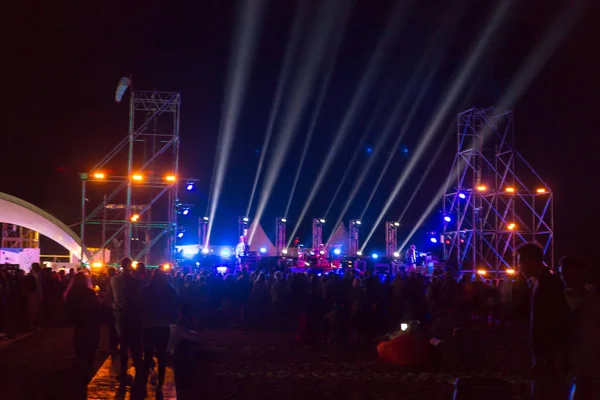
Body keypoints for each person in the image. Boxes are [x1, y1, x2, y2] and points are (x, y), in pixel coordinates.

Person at [516, 242, 569, 399]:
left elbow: (551, 324)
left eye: (521, 262)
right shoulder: (544, 283)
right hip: (548, 357)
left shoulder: (548, 286)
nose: (519, 267)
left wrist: (544, 358)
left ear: (530, 262)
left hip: (549, 358)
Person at [559, 256, 600, 399]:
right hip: (564, 362)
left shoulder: (592, 302)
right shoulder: (556, 301)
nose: (565, 277)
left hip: (587, 364)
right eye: (563, 273)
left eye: (568, 273)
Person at [140, 268, 178, 396]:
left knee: (147, 355)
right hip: (163, 326)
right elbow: (175, 308)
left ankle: (143, 382)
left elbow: (142, 306)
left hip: (149, 326)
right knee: (162, 355)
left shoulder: (146, 290)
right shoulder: (171, 290)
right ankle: (160, 382)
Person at [65, 271, 101, 399]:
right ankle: (86, 371)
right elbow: (96, 308)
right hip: (89, 323)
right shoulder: (89, 292)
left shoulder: (72, 293)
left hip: (79, 322)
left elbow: (69, 308)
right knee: (89, 345)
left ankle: (77, 368)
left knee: (79, 341)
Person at [109, 257, 143, 386]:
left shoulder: (113, 280)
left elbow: (111, 297)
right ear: (129, 265)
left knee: (123, 344)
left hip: (120, 315)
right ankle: (138, 370)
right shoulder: (135, 281)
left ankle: (123, 371)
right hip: (133, 316)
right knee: (135, 344)